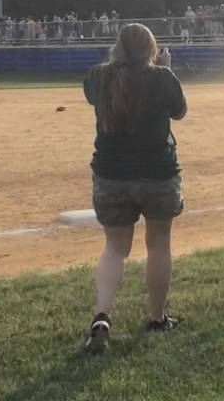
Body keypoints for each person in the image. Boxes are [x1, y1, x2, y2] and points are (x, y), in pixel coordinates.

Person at [82, 23, 188, 353]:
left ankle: (102, 315)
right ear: (151, 49)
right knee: (158, 244)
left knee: (115, 248)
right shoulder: (161, 77)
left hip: (111, 175)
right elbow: (179, 111)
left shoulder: (99, 75)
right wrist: (165, 70)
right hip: (157, 173)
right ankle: (157, 319)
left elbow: (93, 95)